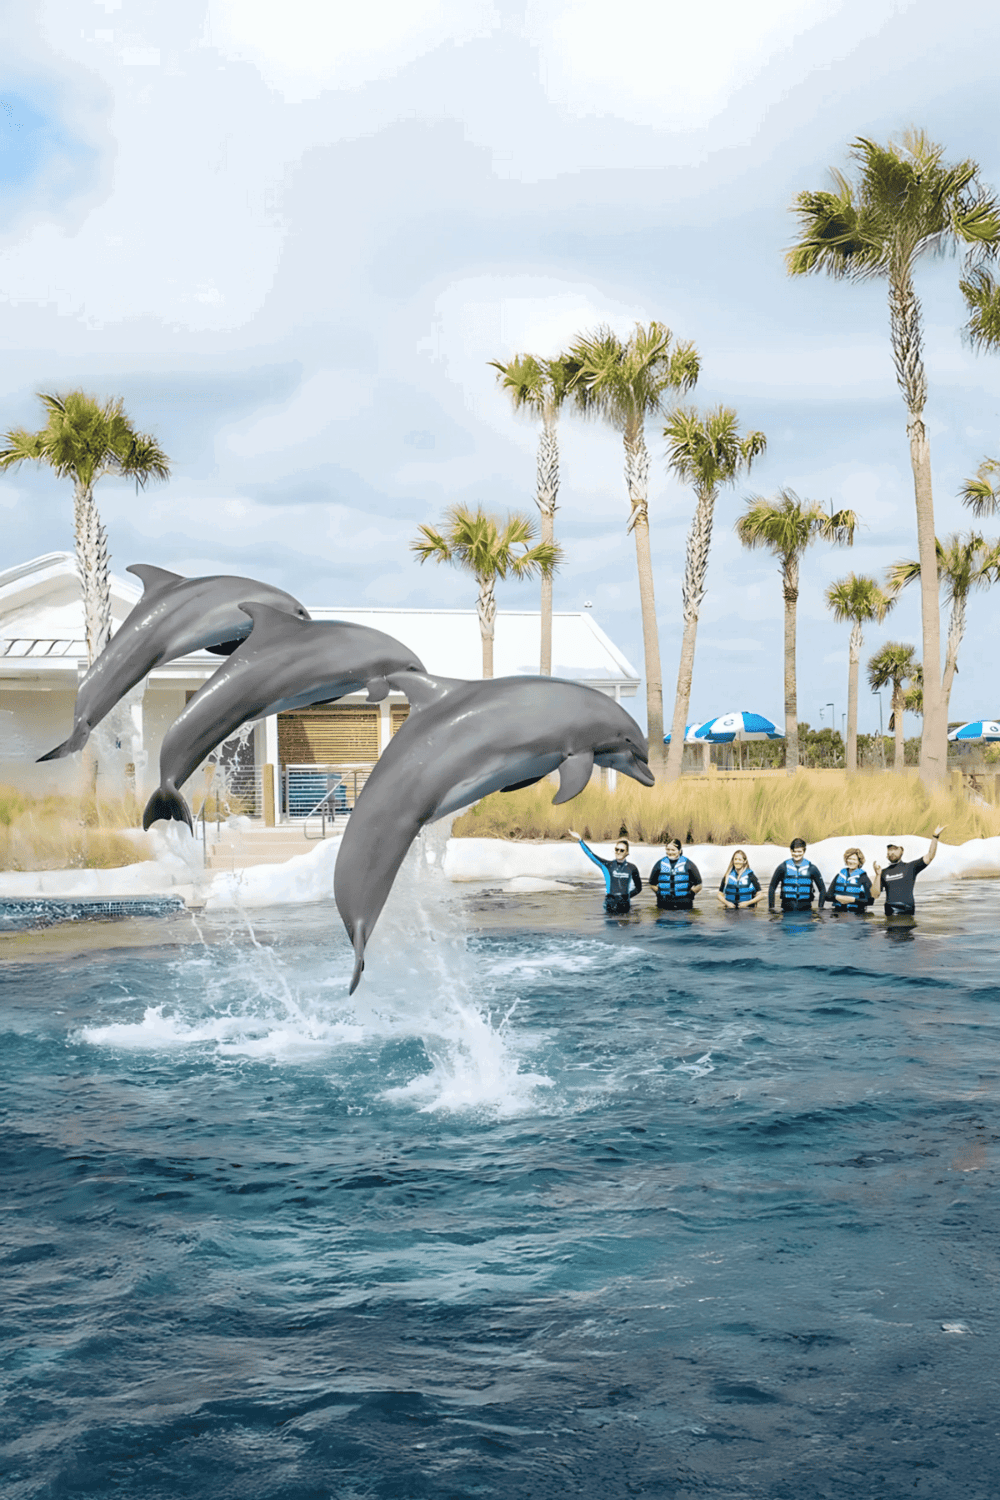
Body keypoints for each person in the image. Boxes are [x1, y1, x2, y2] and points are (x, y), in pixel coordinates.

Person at [871, 826, 945, 915]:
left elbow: (930, 856)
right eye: (890, 850)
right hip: (891, 912)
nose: (892, 852)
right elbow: (874, 895)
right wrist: (878, 875)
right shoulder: (883, 872)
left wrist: (935, 837)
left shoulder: (911, 867)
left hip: (907, 911)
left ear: (902, 850)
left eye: (895, 849)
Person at [569, 829, 642, 914]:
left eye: (622, 850)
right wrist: (580, 840)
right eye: (617, 849)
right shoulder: (607, 865)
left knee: (625, 921)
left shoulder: (632, 868)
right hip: (610, 904)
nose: (618, 852)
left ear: (627, 853)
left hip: (625, 906)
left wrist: (626, 896)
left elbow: (638, 888)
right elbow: (591, 855)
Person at [767, 837, 827, 912]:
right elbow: (772, 887)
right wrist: (771, 909)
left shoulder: (812, 868)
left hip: (806, 911)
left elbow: (822, 889)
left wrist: (820, 908)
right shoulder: (783, 867)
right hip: (786, 911)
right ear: (790, 851)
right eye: (794, 851)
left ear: (804, 851)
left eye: (799, 851)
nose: (796, 854)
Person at [649, 837, 702, 911]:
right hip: (664, 903)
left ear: (679, 851)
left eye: (673, 850)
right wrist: (659, 893)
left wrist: (690, 894)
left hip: (684, 904)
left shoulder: (689, 864)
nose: (670, 852)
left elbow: (699, 885)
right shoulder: (659, 864)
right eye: (668, 849)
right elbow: (652, 884)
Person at [828, 848, 873, 913]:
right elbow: (828, 896)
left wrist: (853, 900)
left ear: (859, 862)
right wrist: (837, 898)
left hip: (856, 914)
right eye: (849, 859)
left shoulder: (863, 878)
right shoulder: (839, 875)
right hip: (837, 913)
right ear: (846, 860)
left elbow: (870, 901)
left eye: (854, 859)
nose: (851, 861)